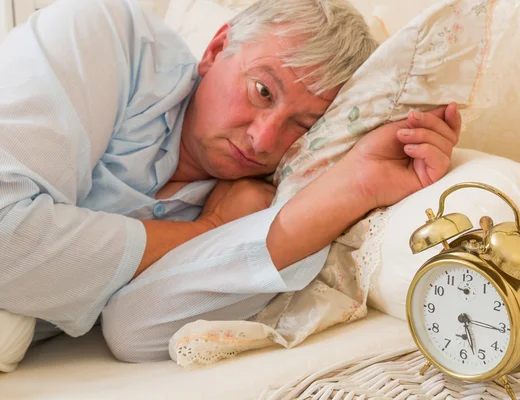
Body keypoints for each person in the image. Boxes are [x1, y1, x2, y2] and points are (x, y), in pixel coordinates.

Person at [0, 0, 461, 362]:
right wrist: (204, 231)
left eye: (301, 126)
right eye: (262, 91)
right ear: (217, 49)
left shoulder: (257, 201)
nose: (263, 140)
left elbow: (134, 330)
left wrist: (354, 186)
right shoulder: (104, 36)